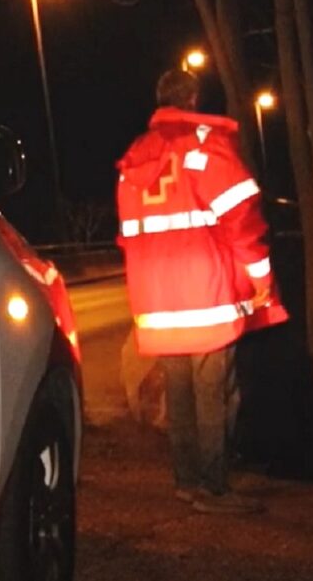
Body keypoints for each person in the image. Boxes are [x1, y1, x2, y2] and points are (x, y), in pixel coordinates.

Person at [115, 69, 288, 514]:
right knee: (214, 391)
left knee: (179, 391)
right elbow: (243, 219)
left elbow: (129, 234)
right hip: (205, 295)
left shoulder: (134, 156)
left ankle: (186, 480)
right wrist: (261, 277)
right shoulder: (204, 147)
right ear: (192, 98)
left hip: (158, 300)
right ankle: (213, 488)